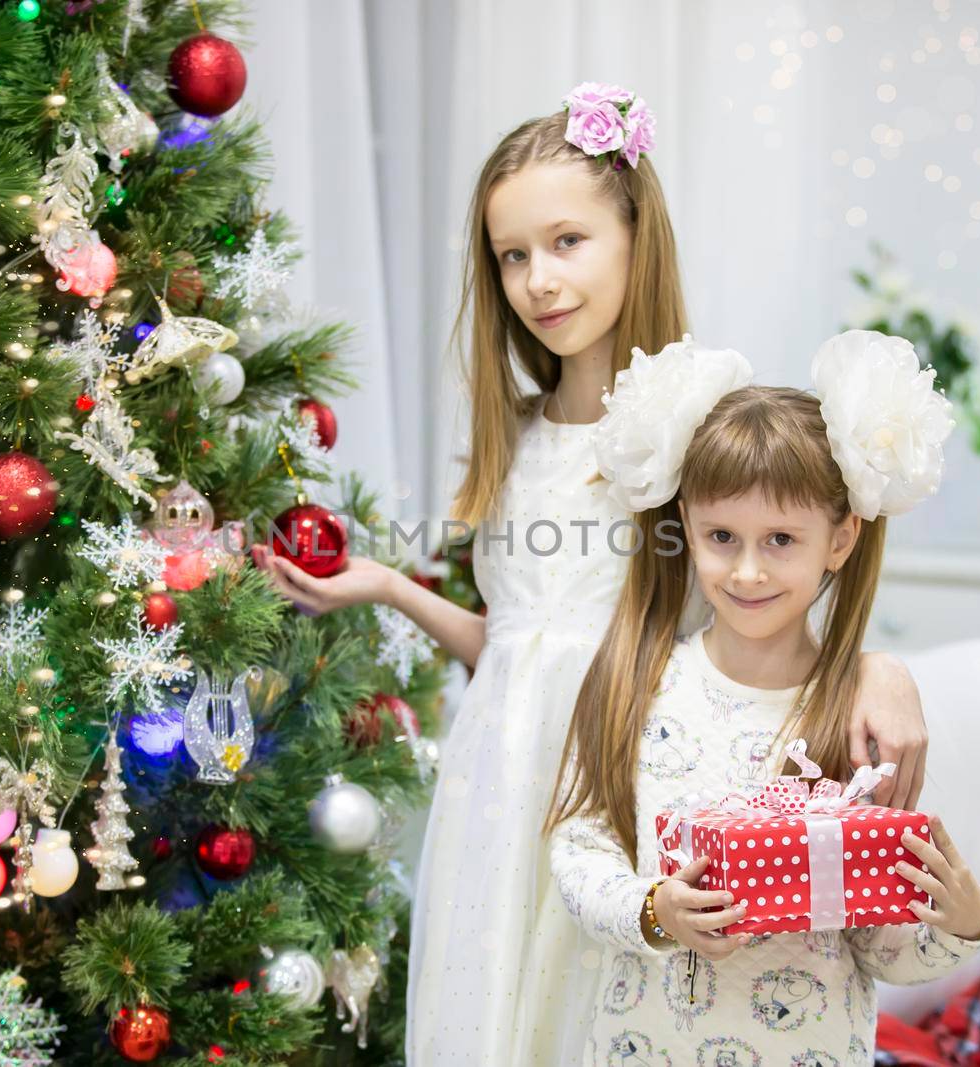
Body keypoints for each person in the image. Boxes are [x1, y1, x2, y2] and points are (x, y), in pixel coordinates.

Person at [253, 86, 932, 1064]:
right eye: (512, 255)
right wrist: (396, 589)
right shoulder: (515, 433)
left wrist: (879, 667)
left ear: (632, 235)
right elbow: (520, 648)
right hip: (498, 783)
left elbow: (778, 565)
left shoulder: (699, 423)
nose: (538, 279)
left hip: (625, 780)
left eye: (567, 241)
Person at [546, 331, 980, 1064]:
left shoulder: (857, 719)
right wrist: (653, 910)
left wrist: (966, 919)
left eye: (782, 538)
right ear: (686, 528)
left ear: (841, 540)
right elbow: (578, 849)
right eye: (722, 535)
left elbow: (879, 943)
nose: (748, 570)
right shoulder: (636, 682)